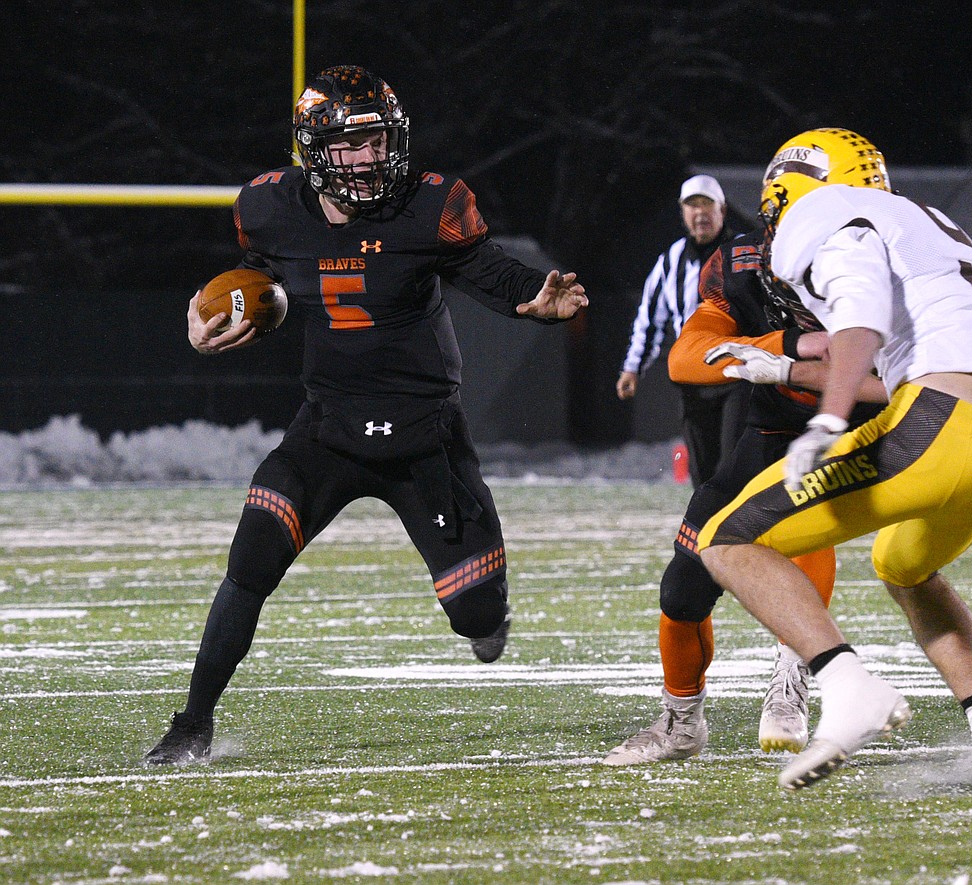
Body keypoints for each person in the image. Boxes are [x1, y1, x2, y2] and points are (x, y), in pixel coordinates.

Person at [145, 65, 587, 765]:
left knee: (474, 615)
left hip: (424, 439)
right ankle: (191, 724)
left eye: (379, 141)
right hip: (329, 430)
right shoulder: (270, 206)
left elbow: (486, 268)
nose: (372, 157)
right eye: (353, 145)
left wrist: (535, 296)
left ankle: (486, 608)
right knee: (250, 560)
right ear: (315, 152)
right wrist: (212, 310)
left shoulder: (426, 205)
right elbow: (262, 272)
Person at [697, 127, 972, 791]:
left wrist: (827, 417)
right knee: (904, 564)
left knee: (728, 539)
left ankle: (846, 683)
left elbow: (861, 316)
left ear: (798, 185)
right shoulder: (931, 224)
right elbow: (909, 366)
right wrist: (788, 369)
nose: (774, 219)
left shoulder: (820, 213)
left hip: (937, 433)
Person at [603, 224, 887, 766]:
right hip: (775, 433)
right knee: (682, 590)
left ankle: (795, 668)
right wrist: (785, 346)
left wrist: (789, 367)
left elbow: (921, 385)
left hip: (874, 435)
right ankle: (680, 724)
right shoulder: (742, 266)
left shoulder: (907, 267)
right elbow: (685, 358)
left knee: (881, 554)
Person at [616, 175, 749, 486]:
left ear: (722, 210)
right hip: (693, 374)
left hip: (739, 373)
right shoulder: (670, 260)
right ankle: (708, 531)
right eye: (692, 205)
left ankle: (735, 530)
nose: (700, 212)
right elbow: (650, 319)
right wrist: (632, 368)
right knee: (702, 470)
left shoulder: (743, 252)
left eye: (706, 204)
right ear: (682, 212)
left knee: (734, 462)